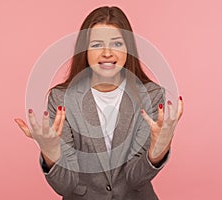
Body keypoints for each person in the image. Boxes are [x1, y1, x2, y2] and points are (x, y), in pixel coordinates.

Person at [14, 6, 183, 200]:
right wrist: (51, 154)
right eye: (96, 45)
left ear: (129, 49)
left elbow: (135, 179)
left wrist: (156, 153)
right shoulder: (60, 99)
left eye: (117, 43)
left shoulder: (151, 96)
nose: (107, 53)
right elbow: (65, 186)